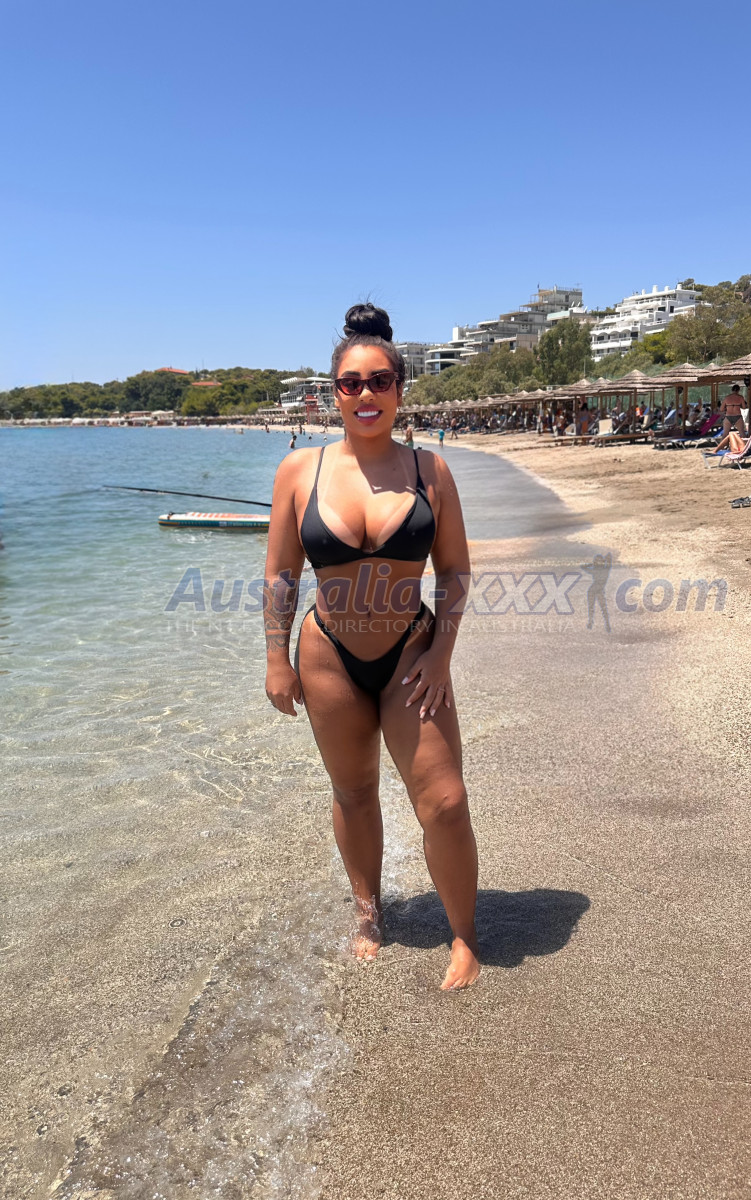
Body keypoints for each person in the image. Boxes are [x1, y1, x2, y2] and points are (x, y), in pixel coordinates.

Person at [263, 303, 479, 990]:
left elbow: (455, 572)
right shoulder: (299, 471)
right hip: (328, 654)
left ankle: (464, 937)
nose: (365, 394)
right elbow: (280, 575)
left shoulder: (429, 470)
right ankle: (368, 916)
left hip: (410, 655)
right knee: (354, 792)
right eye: (351, 383)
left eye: (379, 381)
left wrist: (440, 655)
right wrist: (275, 659)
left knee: (444, 801)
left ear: (399, 390)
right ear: (333, 393)